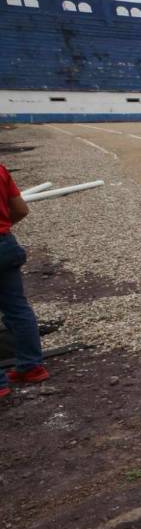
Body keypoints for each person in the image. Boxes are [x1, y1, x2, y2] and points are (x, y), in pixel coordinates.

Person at [0, 162, 47, 400]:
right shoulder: (0, 169)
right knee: (18, 309)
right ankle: (31, 366)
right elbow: (21, 209)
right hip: (5, 245)